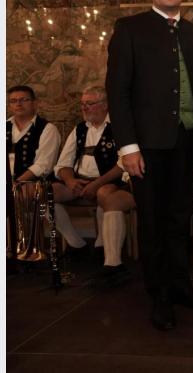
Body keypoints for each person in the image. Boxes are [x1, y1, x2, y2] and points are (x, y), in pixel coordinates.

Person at [106, 0, 193, 331]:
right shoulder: (129, 29)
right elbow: (117, 93)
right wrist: (128, 147)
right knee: (152, 223)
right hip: (147, 147)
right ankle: (160, 297)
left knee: (179, 220)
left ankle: (182, 287)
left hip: (188, 142)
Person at [51, 85, 135, 288]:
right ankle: (76, 243)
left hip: (111, 182)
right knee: (44, 193)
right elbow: (62, 164)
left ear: (105, 105)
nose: (85, 108)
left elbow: (123, 163)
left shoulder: (120, 127)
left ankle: (109, 257)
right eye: (83, 104)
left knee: (105, 194)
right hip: (80, 181)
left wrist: (97, 184)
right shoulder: (79, 129)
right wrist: (71, 181)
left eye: (90, 103)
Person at [6, 85, 61, 268]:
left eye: (24, 100)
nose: (18, 104)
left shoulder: (47, 129)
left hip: (35, 183)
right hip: (8, 182)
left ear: (35, 103)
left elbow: (43, 165)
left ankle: (24, 252)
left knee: (18, 195)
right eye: (13, 101)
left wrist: (16, 183)